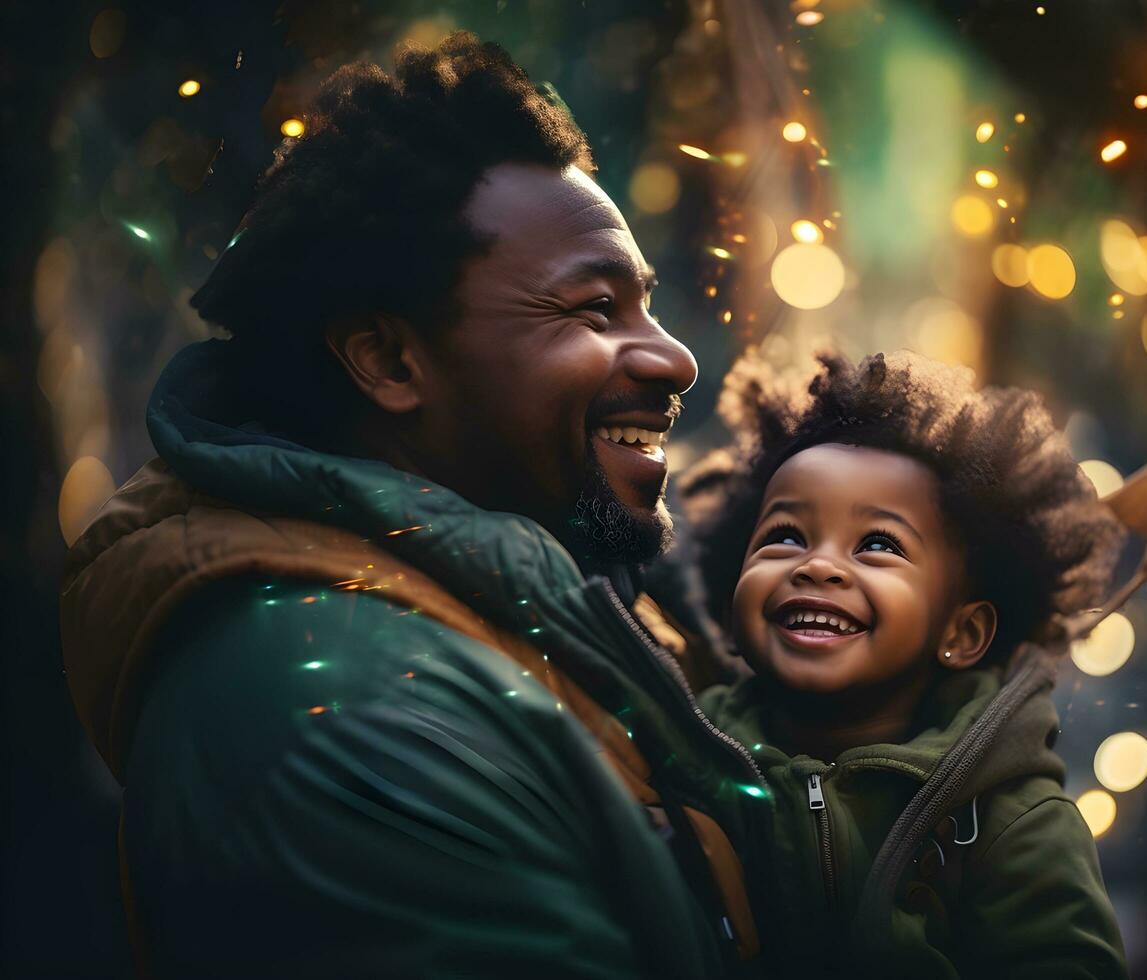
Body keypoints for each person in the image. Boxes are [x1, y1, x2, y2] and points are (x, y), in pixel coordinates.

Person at [60, 34, 771, 978]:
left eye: (643, 305)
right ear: (390, 361)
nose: (675, 359)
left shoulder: (486, 624)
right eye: (594, 311)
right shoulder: (343, 714)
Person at [681, 350, 1132, 978]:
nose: (817, 565)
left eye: (878, 544)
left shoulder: (1008, 821)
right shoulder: (680, 762)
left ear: (963, 631)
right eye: (785, 535)